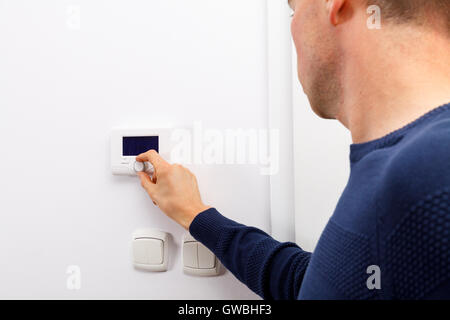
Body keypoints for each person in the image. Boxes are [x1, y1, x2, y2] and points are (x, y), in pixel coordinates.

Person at [136, 0, 450, 299]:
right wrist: (195, 214)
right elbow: (311, 283)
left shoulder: (432, 173)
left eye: (294, 11)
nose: (293, 31)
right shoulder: (412, 170)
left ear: (335, 5)